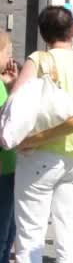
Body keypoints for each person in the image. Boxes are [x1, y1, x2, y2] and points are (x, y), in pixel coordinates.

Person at [11, 6, 73, 262]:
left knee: (30, 237)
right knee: (69, 237)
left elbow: (17, 107)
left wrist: (10, 86)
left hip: (39, 155)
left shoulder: (39, 60)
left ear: (43, 34)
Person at [0, 31, 18, 263]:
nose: (9, 59)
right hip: (3, 166)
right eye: (7, 53)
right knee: (3, 229)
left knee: (8, 229)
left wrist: (12, 85)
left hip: (9, 165)